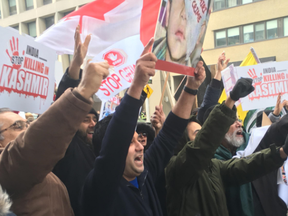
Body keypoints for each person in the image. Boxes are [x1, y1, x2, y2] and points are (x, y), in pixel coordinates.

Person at [80, 38, 206, 216]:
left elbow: (169, 134)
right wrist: (137, 84)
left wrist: (191, 87)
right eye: (130, 143)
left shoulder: (144, 173)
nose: (140, 146)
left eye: (137, 139)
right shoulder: (101, 187)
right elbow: (116, 141)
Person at [165, 77, 288, 216]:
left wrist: (282, 152)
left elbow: (247, 166)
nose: (239, 124)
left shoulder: (214, 166)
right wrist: (231, 100)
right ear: (183, 142)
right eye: (198, 133)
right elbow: (201, 146)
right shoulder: (177, 168)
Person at [0, 59, 109, 215]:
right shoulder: (7, 168)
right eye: (18, 126)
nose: (28, 128)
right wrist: (82, 92)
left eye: (27, 124)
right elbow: (38, 140)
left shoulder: (39, 169)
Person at [52, 25, 99, 216]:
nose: (92, 124)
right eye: (85, 119)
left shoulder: (97, 148)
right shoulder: (68, 147)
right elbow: (62, 114)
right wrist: (75, 67)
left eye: (94, 119)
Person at [153, 0, 211, 67]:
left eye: (195, 9)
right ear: (168, 11)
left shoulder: (194, 75)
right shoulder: (143, 53)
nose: (185, 14)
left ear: (200, 33)